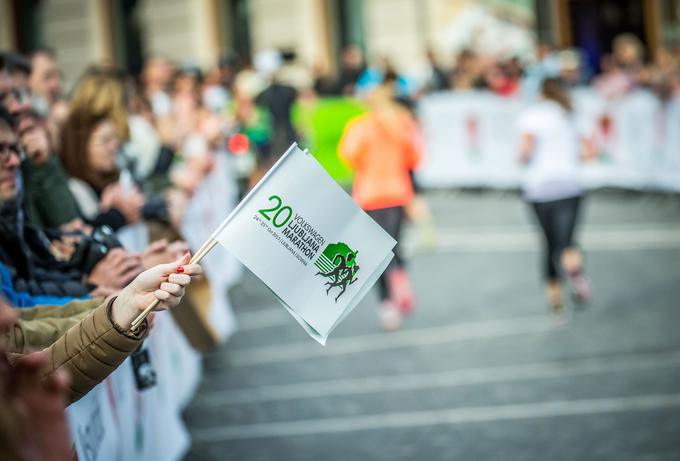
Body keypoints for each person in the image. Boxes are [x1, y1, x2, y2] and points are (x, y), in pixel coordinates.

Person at [339, 74, 422, 330]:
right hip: (397, 192)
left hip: (370, 194)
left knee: (376, 252)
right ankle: (399, 278)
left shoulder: (360, 126)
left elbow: (348, 155)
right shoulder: (401, 123)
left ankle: (387, 303)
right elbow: (414, 157)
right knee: (394, 245)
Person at [517, 77, 594, 315]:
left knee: (549, 243)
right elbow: (590, 150)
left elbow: (525, 152)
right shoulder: (570, 114)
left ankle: (555, 299)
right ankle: (575, 275)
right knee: (567, 240)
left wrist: (524, 160)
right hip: (569, 183)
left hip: (539, 186)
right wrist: (571, 160)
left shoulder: (530, 116)